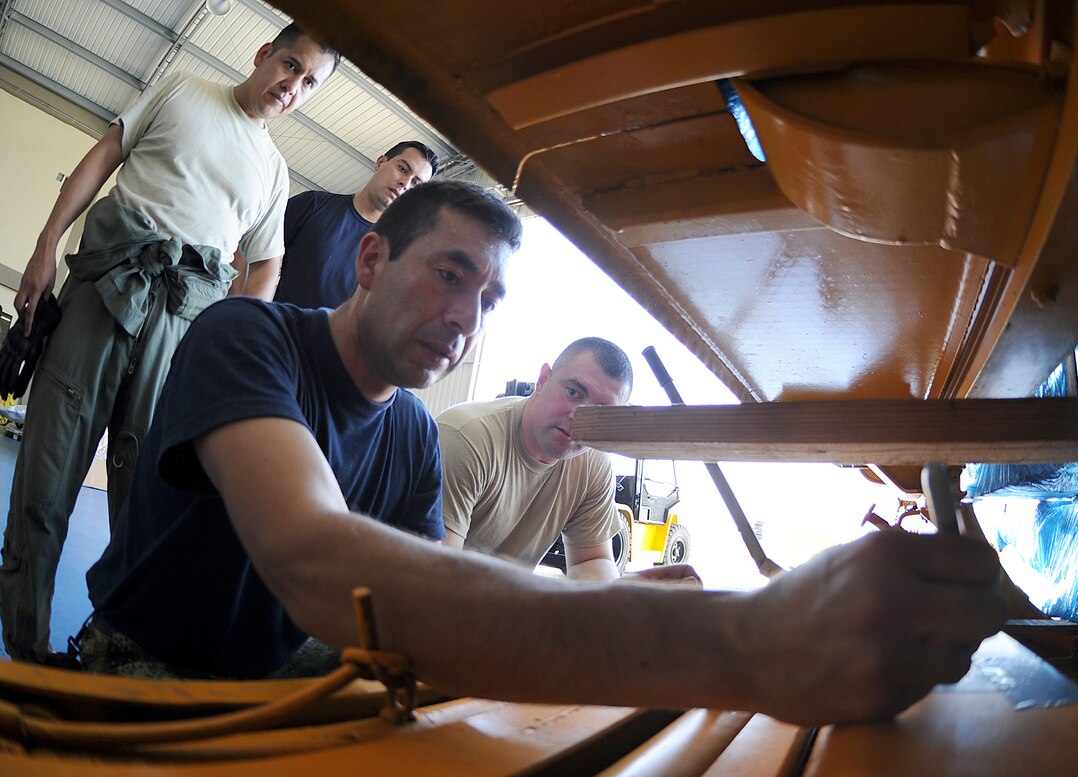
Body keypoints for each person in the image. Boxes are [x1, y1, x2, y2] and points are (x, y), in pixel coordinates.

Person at [77, 179, 1005, 726]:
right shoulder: (250, 337)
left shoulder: (406, 435)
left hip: (276, 675)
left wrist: (625, 603)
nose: (464, 317)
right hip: (145, 672)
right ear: (369, 262)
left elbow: (416, 622)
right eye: (451, 274)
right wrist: (742, 636)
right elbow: (314, 559)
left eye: (489, 299)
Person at [0, 24, 340, 663]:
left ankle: (108, 651)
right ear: (263, 53)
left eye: (308, 84)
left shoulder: (273, 170)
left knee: (145, 510)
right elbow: (105, 154)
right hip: (105, 291)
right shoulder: (185, 89)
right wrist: (46, 246)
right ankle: (27, 647)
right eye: (289, 66)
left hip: (184, 327)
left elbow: (266, 265)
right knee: (46, 477)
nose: (291, 87)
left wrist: (230, 340)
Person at [439, 338, 640, 581]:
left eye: (600, 411)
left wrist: (624, 600)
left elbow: (592, 560)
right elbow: (437, 572)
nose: (578, 417)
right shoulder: (467, 437)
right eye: (573, 392)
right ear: (543, 379)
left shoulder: (593, 465)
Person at [273, 141, 439, 309]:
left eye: (416, 184)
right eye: (402, 169)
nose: (405, 183)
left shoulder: (399, 254)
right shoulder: (313, 205)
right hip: (274, 330)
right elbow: (255, 253)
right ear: (380, 162)